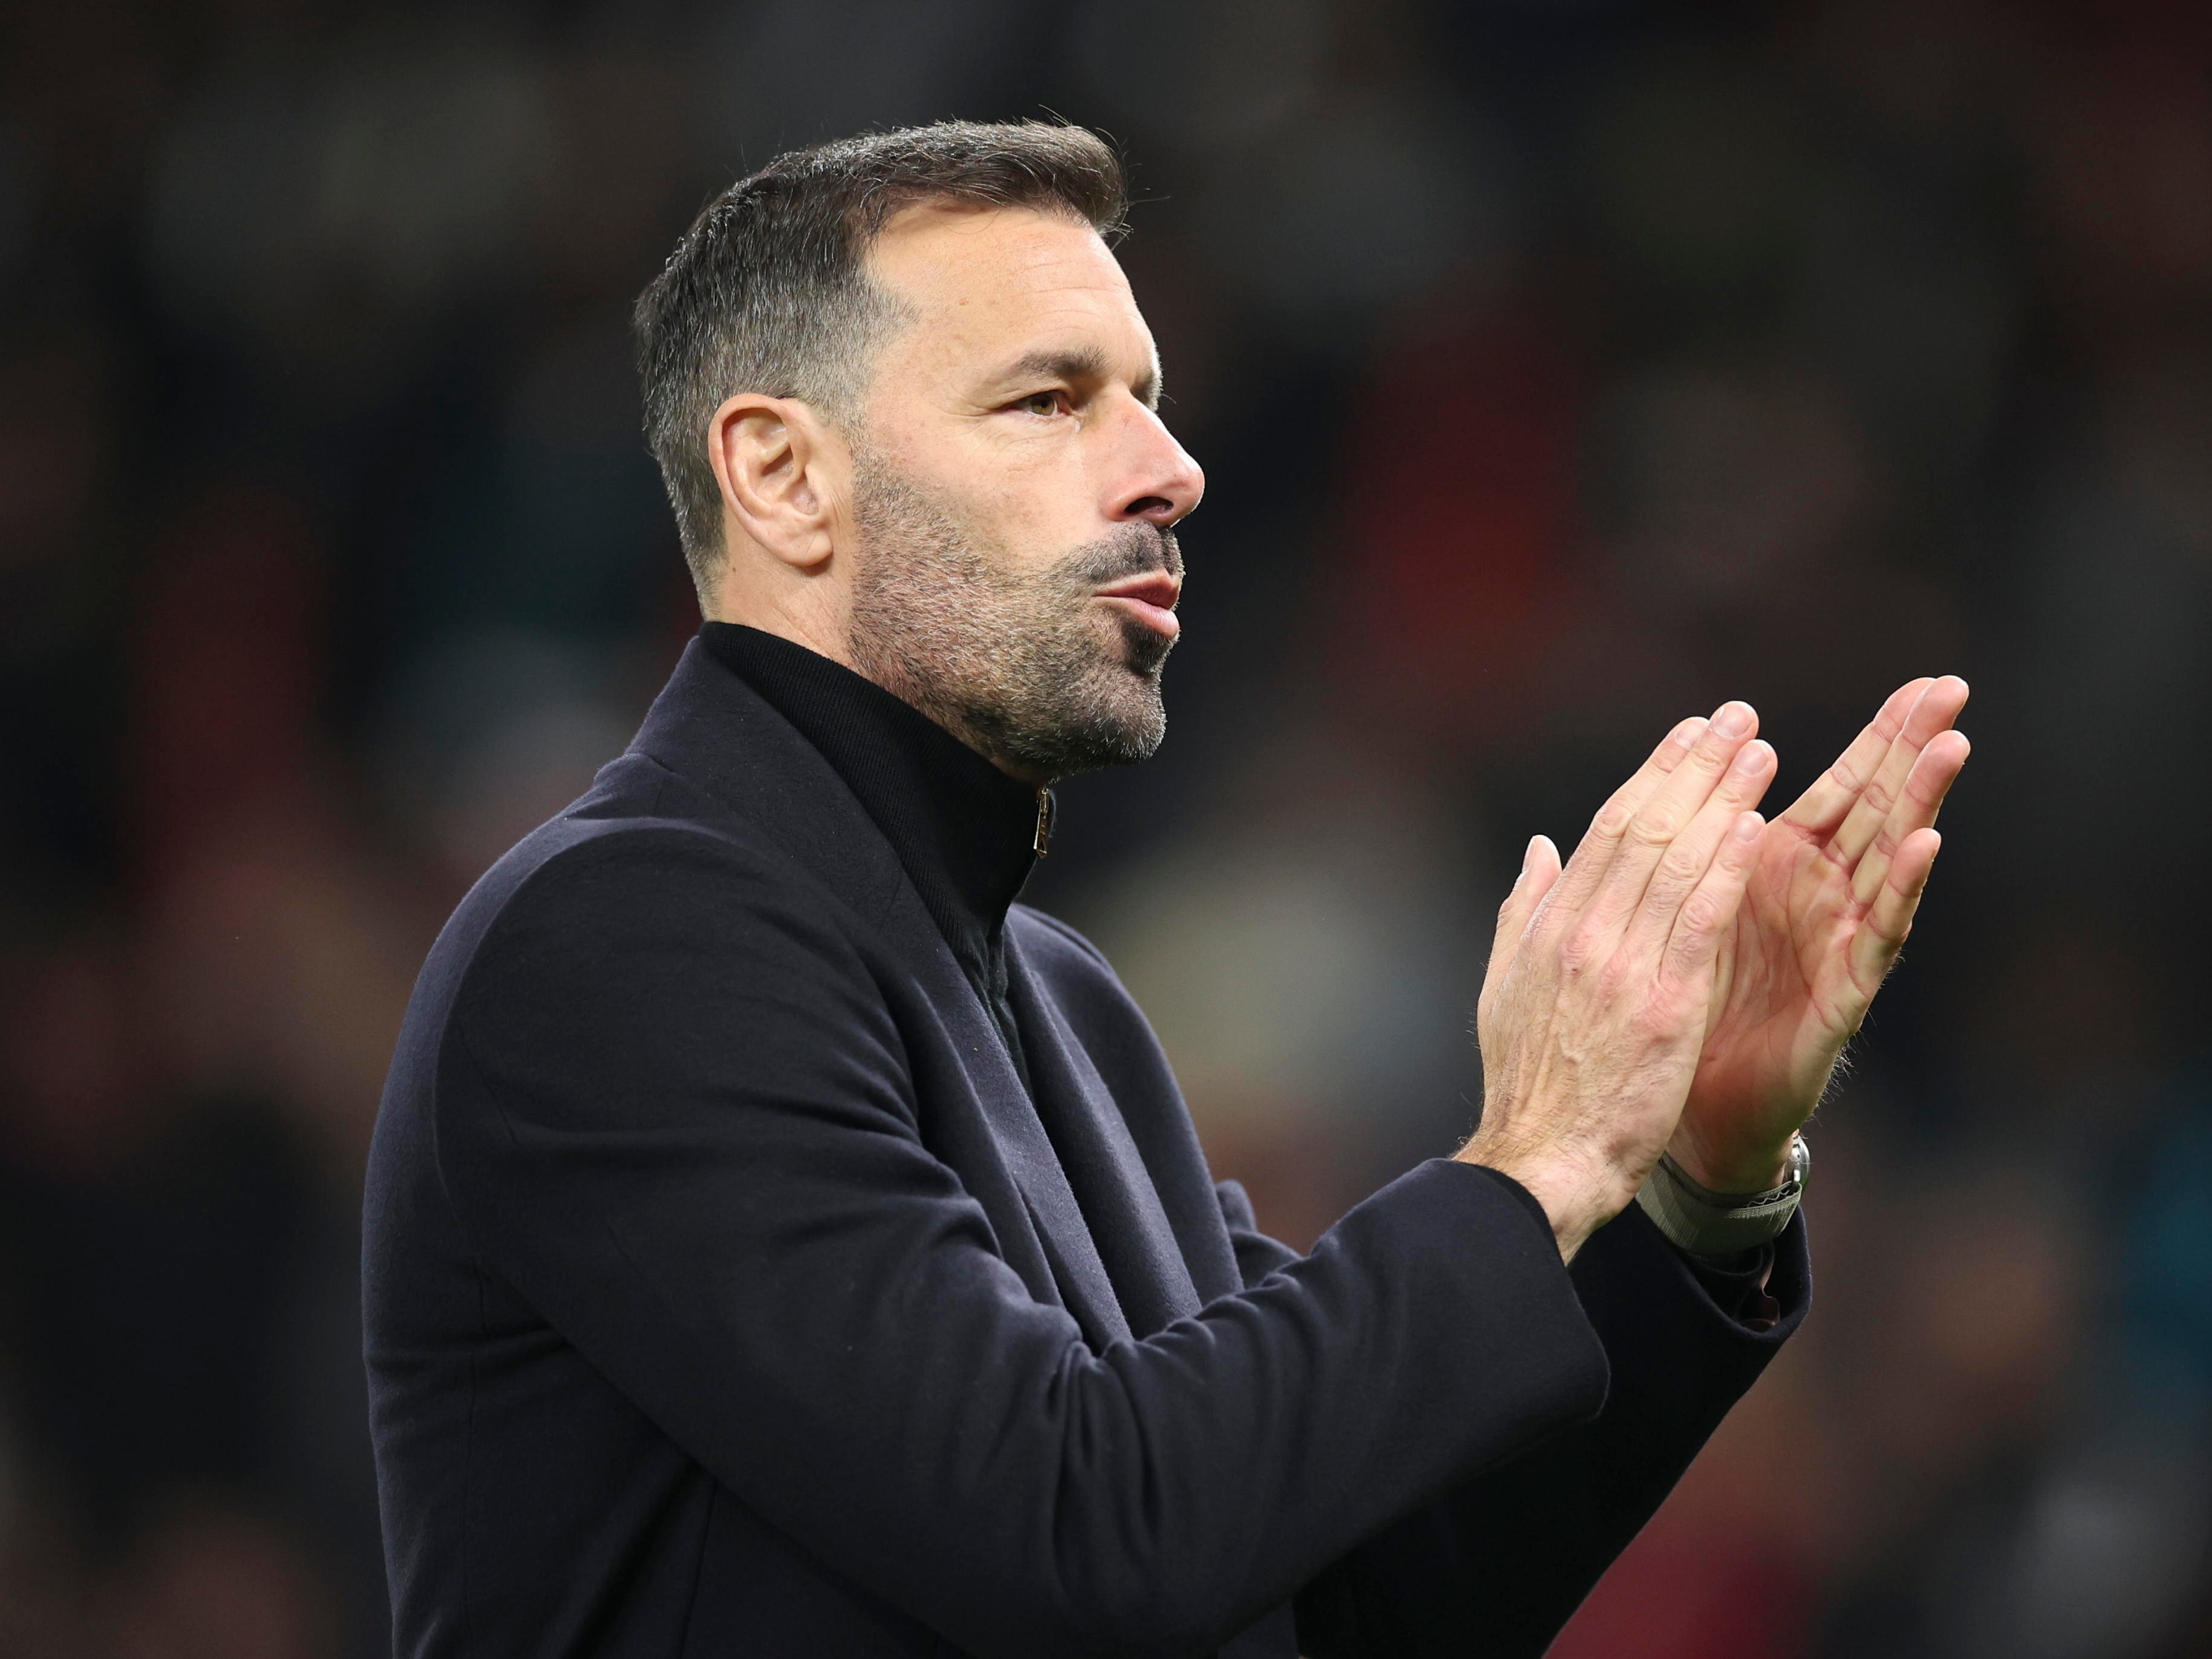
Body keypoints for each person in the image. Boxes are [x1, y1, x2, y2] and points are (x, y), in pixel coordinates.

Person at [363, 121, 1970, 1658]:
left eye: (1150, 397)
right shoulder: (626, 942)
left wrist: (1691, 1182)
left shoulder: (1061, 1005)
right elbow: (1080, 1531)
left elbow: (1346, 1597)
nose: (1171, 469)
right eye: (1050, 399)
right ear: (783, 476)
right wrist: (1532, 1156)